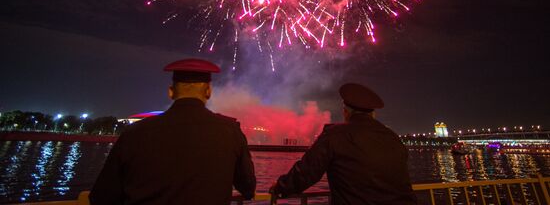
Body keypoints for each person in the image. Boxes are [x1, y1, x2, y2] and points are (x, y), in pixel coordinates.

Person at [89, 58, 256, 205]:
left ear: (171, 92)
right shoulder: (230, 131)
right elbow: (248, 188)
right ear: (208, 92)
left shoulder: (135, 133)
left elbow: (101, 197)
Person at [270, 83, 416, 205]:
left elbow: (307, 172)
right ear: (373, 114)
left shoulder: (334, 134)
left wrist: (280, 187)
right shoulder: (393, 137)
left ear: (346, 112)